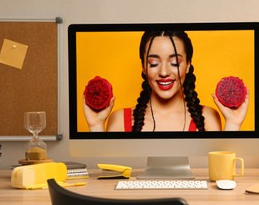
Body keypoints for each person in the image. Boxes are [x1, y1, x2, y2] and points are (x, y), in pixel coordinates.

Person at [83, 30, 249, 132]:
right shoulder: (119, 120)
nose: (164, 72)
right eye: (153, 63)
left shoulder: (208, 118)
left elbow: (223, 178)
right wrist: (96, 125)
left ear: (188, 65)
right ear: (143, 67)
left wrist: (233, 124)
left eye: (175, 63)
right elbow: (107, 179)